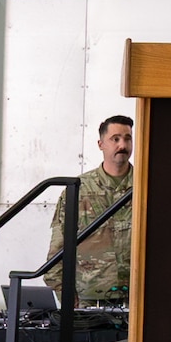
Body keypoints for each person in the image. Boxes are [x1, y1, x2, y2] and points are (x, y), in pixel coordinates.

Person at [45, 115, 134, 304]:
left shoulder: (146, 186)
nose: (122, 145)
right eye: (115, 139)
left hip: (139, 299)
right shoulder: (79, 190)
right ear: (101, 144)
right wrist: (67, 298)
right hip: (89, 300)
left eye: (127, 138)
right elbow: (57, 251)